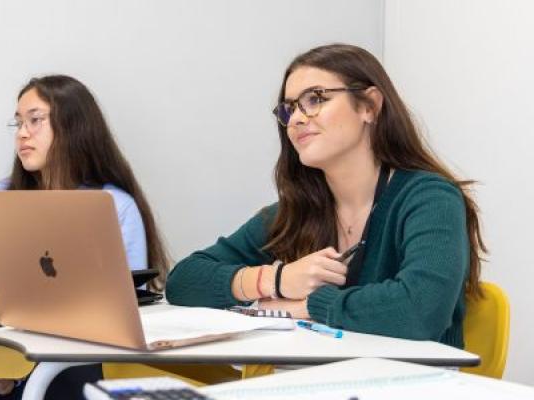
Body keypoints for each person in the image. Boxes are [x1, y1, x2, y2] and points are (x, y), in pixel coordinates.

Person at [165, 44, 485, 349]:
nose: (296, 119)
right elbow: (183, 281)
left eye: (315, 98)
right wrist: (275, 279)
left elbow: (419, 311)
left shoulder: (431, 199)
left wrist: (307, 306)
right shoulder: (296, 210)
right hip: (317, 375)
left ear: (370, 106)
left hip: (414, 379)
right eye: (290, 108)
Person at [0, 75, 169, 400]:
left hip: (75, 360)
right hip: (3, 355)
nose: (22, 133)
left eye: (35, 120)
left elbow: (132, 314)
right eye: (18, 123)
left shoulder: (115, 205)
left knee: (70, 380)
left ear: (73, 127)